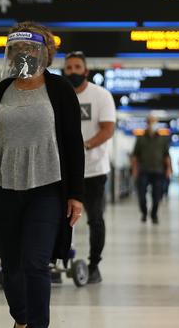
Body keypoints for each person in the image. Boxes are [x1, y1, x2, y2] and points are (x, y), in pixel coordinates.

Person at [0, 22, 85, 328]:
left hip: (46, 187)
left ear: (45, 53)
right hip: (3, 186)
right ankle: (21, 319)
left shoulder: (60, 89)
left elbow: (73, 142)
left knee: (36, 262)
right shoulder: (3, 89)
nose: (23, 54)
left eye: (30, 49)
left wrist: (76, 194)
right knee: (11, 266)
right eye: (17, 49)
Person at [63, 51, 116, 284]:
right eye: (69, 68)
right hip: (64, 170)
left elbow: (107, 129)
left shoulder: (100, 95)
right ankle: (58, 261)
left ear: (86, 71)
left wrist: (84, 146)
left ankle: (94, 264)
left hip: (94, 170)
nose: (73, 71)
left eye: (77, 67)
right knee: (60, 217)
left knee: (95, 218)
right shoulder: (60, 96)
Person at [131, 115, 171, 224]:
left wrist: (168, 169)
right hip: (143, 170)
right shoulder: (140, 138)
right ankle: (144, 212)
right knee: (141, 195)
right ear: (147, 123)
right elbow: (135, 155)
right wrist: (134, 169)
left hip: (158, 171)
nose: (152, 124)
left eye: (154, 122)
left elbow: (166, 155)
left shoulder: (162, 139)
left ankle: (154, 214)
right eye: (150, 122)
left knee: (157, 195)